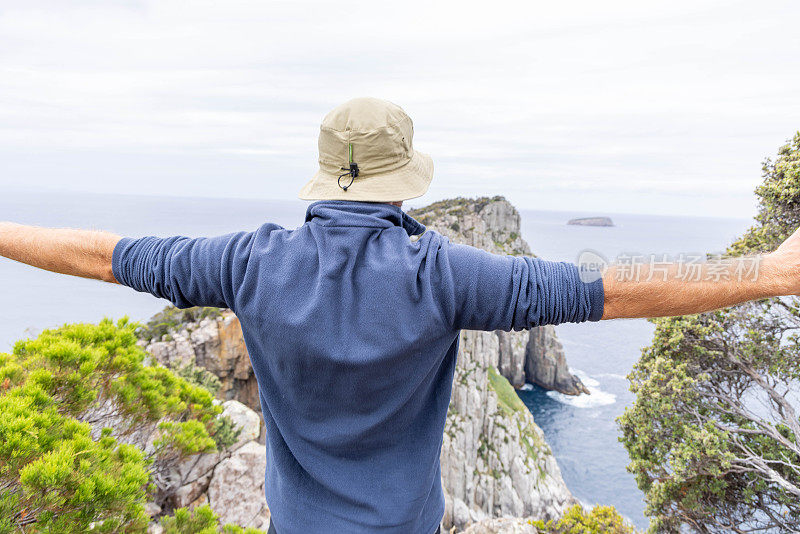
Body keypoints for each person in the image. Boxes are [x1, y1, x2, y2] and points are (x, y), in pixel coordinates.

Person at [1, 97, 799, 534]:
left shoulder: (248, 261)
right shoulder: (442, 274)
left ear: (324, 174)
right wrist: (766, 274)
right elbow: (609, 287)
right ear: (404, 181)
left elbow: (104, 254)